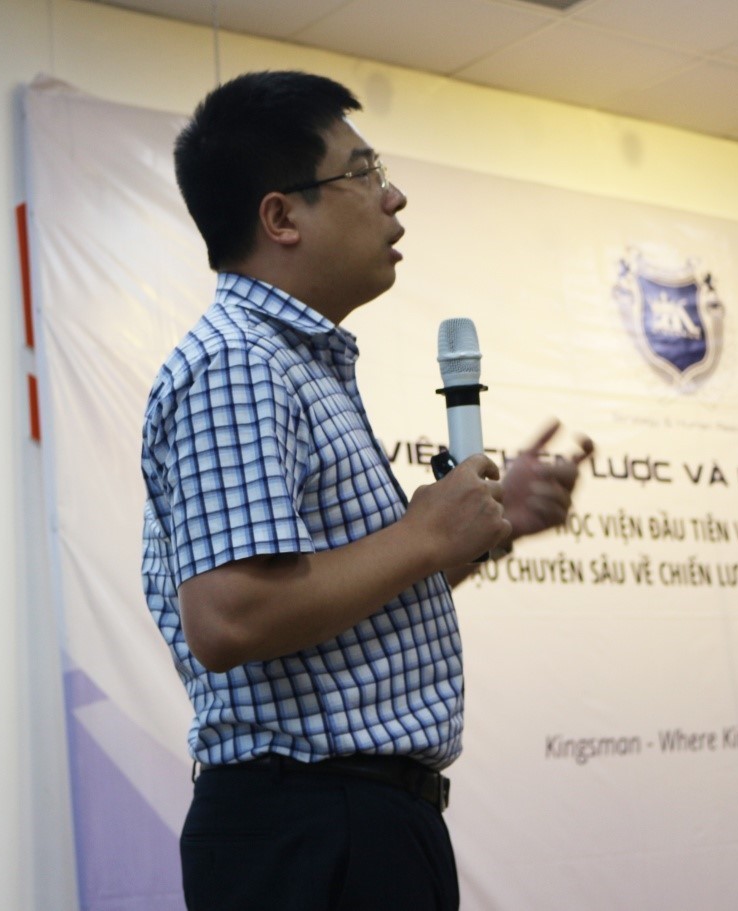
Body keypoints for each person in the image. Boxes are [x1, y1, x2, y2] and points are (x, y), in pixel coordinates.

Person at [141, 71, 593, 910]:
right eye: (364, 171)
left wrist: (488, 525)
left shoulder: (293, 364)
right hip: (310, 830)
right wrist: (423, 533)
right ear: (281, 217)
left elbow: (341, 603)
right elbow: (231, 615)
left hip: (351, 824)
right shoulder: (239, 363)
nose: (394, 196)